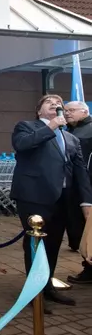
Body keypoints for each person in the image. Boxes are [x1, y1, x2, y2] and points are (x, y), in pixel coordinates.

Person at [11, 95, 92, 306]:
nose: (56, 105)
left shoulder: (71, 138)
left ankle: (47, 287)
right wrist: (52, 126)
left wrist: (86, 202)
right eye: (50, 102)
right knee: (36, 245)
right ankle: (34, 293)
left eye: (59, 103)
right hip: (33, 197)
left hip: (62, 199)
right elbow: (23, 145)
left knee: (53, 245)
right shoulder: (26, 127)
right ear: (39, 110)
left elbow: (80, 171)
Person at [65, 101, 92, 256]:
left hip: (86, 181)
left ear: (84, 111)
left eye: (72, 110)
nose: (67, 113)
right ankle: (76, 243)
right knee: (72, 216)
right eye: (66, 110)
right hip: (70, 181)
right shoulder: (67, 129)